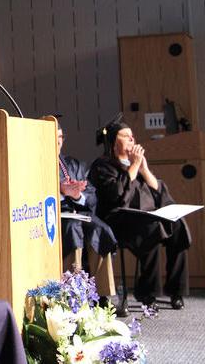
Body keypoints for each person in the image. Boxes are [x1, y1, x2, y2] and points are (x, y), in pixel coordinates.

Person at [88, 115, 191, 310]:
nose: (132, 139)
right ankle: (148, 294)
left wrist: (144, 169)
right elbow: (117, 196)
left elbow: (159, 192)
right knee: (152, 227)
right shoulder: (102, 166)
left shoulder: (136, 163)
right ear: (112, 141)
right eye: (125, 136)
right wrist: (134, 166)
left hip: (147, 215)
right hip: (119, 220)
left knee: (178, 226)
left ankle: (176, 291)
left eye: (132, 136)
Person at [55, 117, 117, 302]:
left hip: (79, 213)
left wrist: (76, 195)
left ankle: (103, 293)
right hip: (54, 216)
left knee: (101, 229)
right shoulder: (35, 165)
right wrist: (61, 191)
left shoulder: (74, 164)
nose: (58, 141)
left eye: (60, 137)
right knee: (72, 227)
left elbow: (91, 195)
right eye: (53, 136)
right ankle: (71, 292)